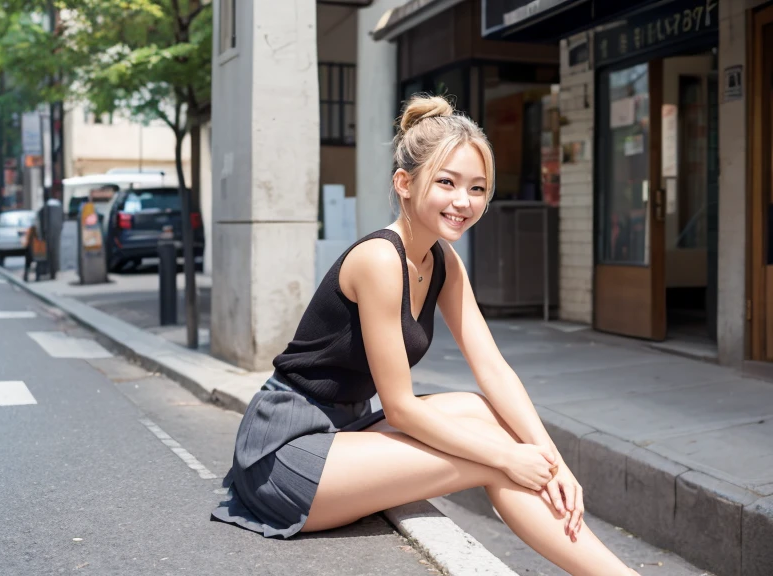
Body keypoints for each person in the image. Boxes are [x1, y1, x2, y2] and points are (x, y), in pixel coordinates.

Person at [211, 95, 640, 576]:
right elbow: (401, 408)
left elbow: (493, 368)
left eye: (477, 188)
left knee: (484, 413)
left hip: (343, 431)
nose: (464, 201)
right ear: (405, 184)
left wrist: (554, 460)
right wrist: (511, 457)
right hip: (284, 453)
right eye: (447, 182)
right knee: (498, 460)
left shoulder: (443, 261)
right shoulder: (378, 260)